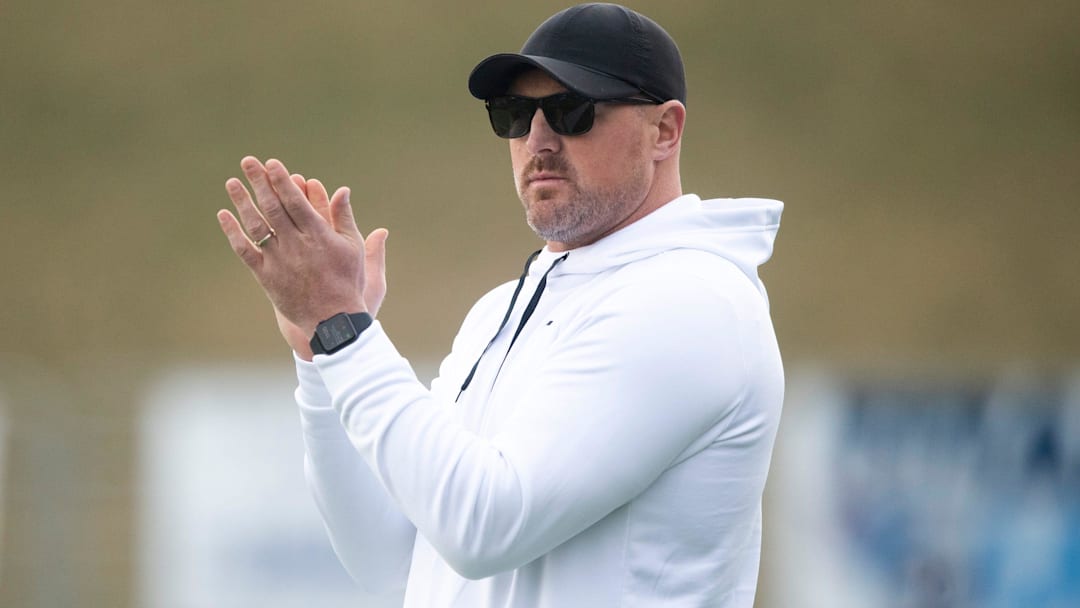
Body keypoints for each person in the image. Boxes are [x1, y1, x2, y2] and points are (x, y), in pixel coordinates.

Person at [217, 3, 784, 606]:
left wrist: (345, 328)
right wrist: (321, 349)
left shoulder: (689, 302)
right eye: (515, 114)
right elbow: (392, 560)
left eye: (572, 110)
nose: (538, 139)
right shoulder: (501, 309)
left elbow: (483, 524)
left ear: (664, 131)